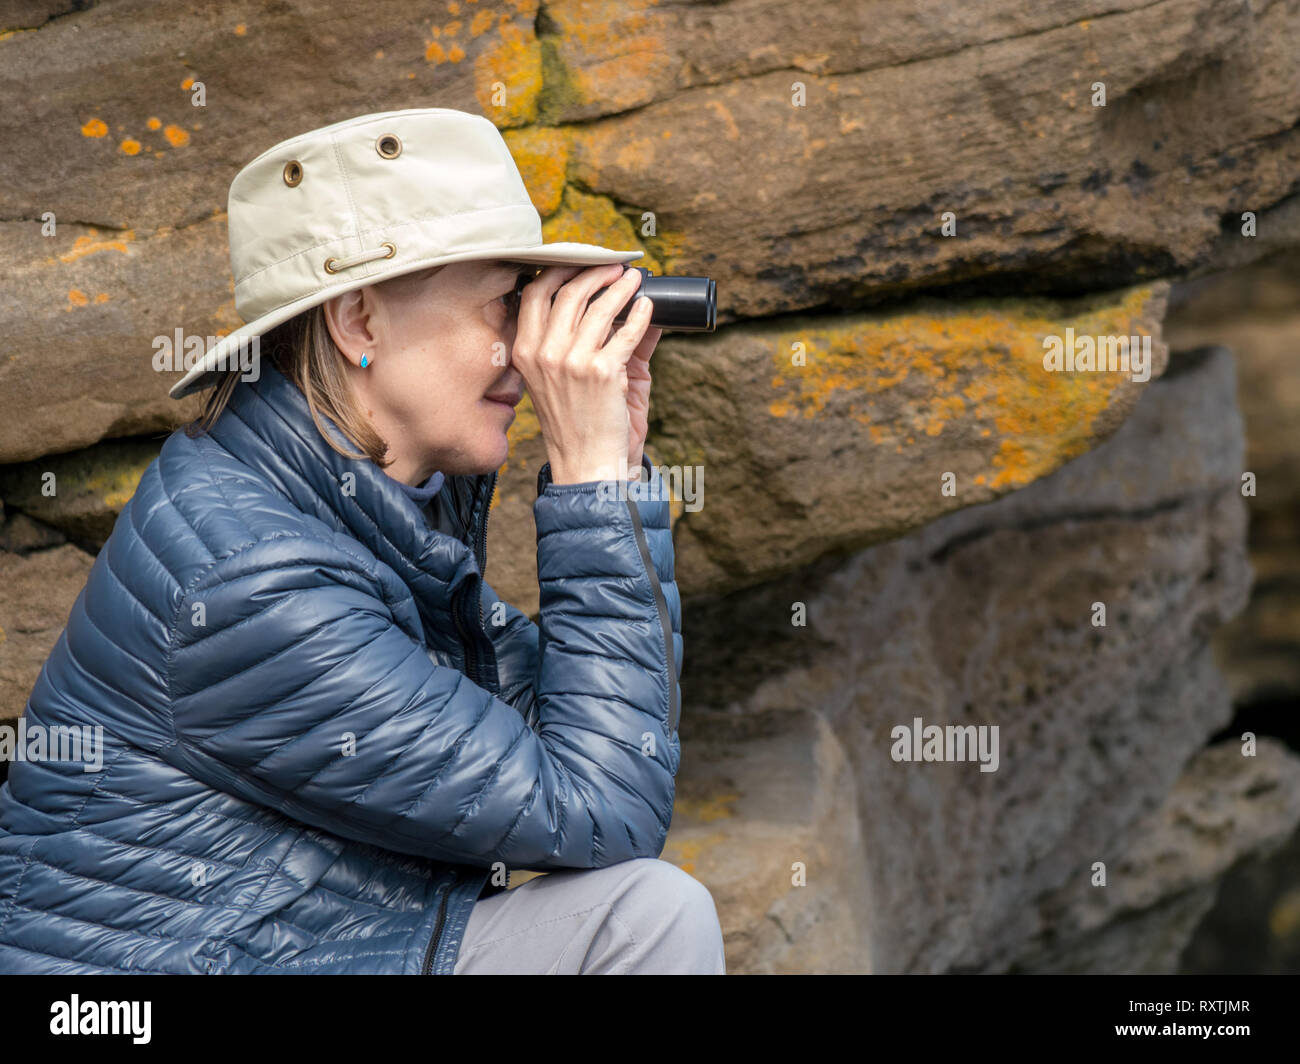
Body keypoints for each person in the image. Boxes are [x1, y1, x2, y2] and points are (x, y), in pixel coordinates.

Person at [0, 108, 726, 974]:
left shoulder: (364, 504)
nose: (529, 352)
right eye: (507, 301)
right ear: (359, 324)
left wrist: (614, 459)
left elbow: (567, 746)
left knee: (641, 913)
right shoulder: (249, 579)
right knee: (646, 917)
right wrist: (592, 482)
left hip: (310, 950)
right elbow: (603, 809)